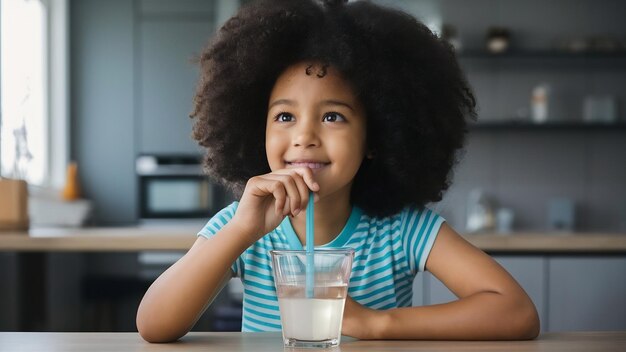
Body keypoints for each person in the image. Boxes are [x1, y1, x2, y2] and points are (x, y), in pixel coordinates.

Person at [136, 0, 540, 343]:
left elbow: (517, 313)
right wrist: (240, 233)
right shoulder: (244, 225)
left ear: (377, 138)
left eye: (332, 116)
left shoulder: (402, 230)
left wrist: (375, 323)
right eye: (284, 116)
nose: (305, 135)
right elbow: (153, 324)